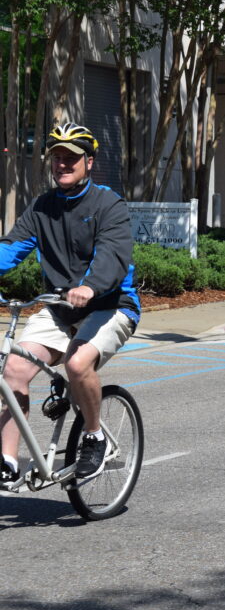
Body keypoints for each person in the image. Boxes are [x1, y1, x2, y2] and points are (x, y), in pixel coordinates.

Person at [0, 123, 140, 488]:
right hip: (61, 309)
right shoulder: (42, 207)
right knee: (14, 367)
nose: (62, 164)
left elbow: (113, 255)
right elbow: (11, 249)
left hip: (110, 304)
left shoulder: (109, 204)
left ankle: (93, 437)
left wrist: (90, 287)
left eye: (71, 158)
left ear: (89, 162)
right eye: (57, 158)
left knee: (78, 363)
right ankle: (7, 460)